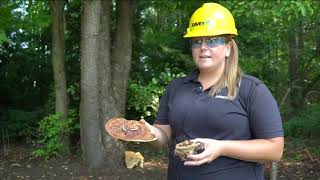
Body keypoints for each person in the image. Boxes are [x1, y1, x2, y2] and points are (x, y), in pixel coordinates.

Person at [146, 2, 284, 180]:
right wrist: (146, 133)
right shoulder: (176, 88)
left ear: (228, 48)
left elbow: (275, 149)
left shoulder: (251, 90)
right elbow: (163, 134)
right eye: (197, 41)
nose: (203, 47)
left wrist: (221, 148)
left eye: (212, 40)